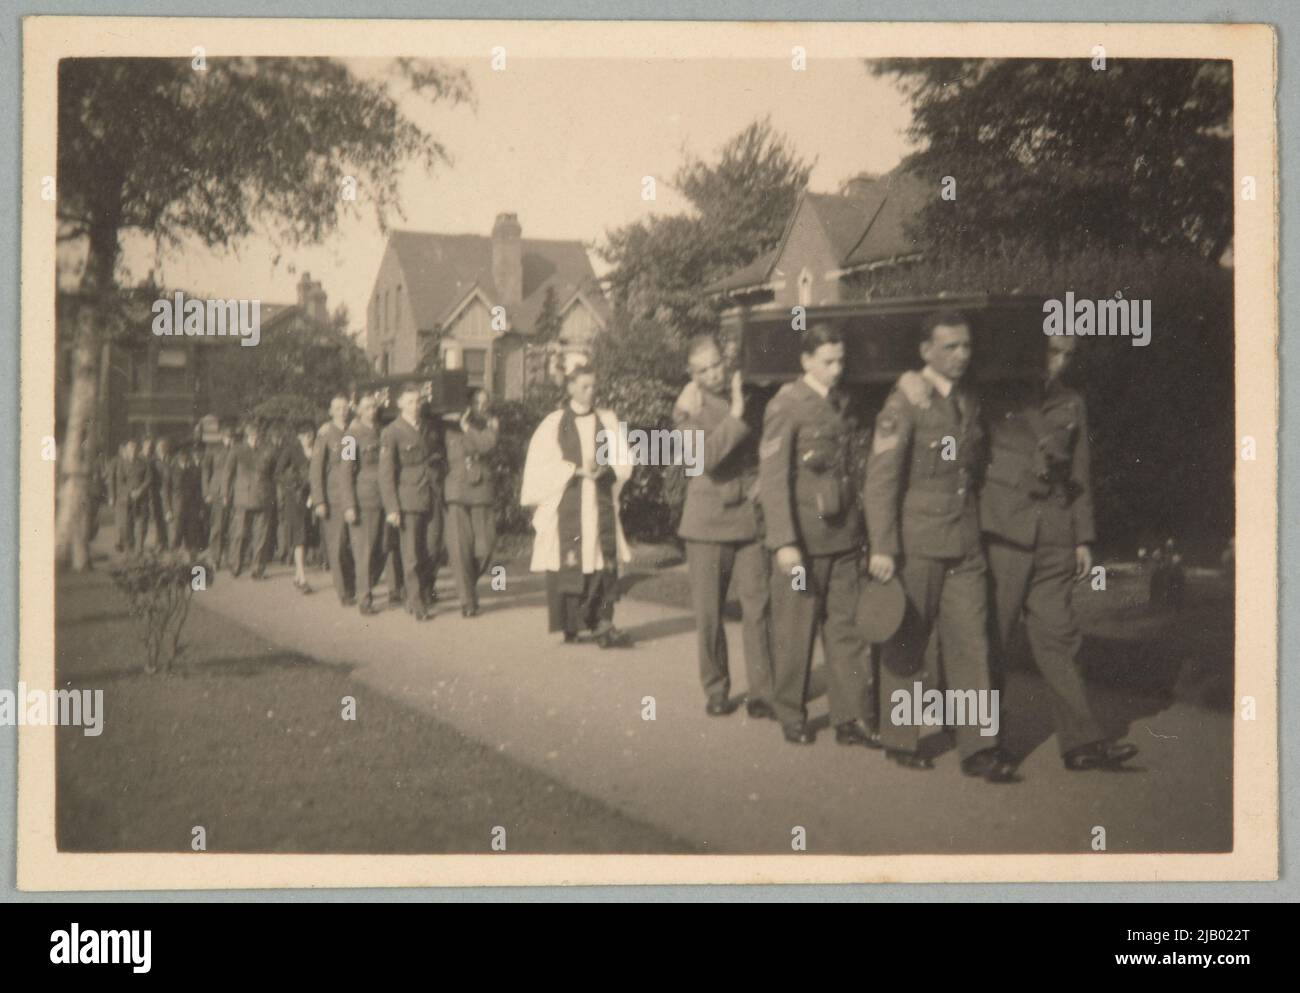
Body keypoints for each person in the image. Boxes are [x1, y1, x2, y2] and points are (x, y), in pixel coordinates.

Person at [863, 310, 1015, 782]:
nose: (961, 355)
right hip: (917, 542)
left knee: (972, 642)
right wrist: (883, 547)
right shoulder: (903, 403)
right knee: (908, 638)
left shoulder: (968, 399)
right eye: (950, 347)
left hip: (963, 540)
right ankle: (901, 739)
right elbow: (881, 478)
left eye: (966, 346)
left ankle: (979, 747)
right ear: (926, 351)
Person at [981, 335, 1138, 771]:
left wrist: (1083, 537)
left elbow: (1080, 472)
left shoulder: (1072, 403)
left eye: (1069, 354)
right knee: (992, 637)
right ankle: (985, 743)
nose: (1061, 362)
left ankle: (1082, 743)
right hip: (1004, 532)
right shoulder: (996, 393)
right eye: (1052, 350)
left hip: (1053, 533)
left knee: (1059, 637)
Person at [758, 323, 876, 747]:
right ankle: (790, 711)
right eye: (828, 361)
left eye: (841, 361)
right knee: (795, 628)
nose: (837, 369)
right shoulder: (786, 405)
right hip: (803, 543)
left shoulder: (843, 404)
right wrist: (784, 542)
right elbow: (772, 479)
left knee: (847, 630)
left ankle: (850, 718)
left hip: (843, 540)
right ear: (806, 361)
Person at [674, 336, 775, 718]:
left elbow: (768, 441)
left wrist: (763, 481)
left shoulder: (744, 393)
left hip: (746, 518)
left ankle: (763, 692)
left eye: (717, 364)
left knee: (758, 605)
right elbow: (706, 458)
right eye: (704, 370)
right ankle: (716, 688)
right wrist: (735, 413)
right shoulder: (686, 410)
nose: (714, 373)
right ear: (692, 375)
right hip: (706, 523)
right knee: (710, 613)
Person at [520, 364, 633, 648]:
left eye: (594, 386)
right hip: (569, 501)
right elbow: (541, 465)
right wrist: (575, 470)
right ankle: (572, 624)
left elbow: (624, 459)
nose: (590, 391)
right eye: (584, 386)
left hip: (598, 501)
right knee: (570, 557)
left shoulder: (607, 420)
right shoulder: (554, 422)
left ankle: (602, 622)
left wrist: (604, 468)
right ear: (570, 387)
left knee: (598, 557)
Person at [379, 383, 441, 621]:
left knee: (432, 548)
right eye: (410, 402)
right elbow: (386, 474)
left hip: (431, 495)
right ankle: (416, 602)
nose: (416, 406)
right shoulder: (392, 432)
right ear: (400, 405)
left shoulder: (427, 427)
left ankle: (417, 593)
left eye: (418, 402)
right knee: (412, 553)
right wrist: (392, 508)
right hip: (408, 498)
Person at [443, 388, 499, 618]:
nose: (481, 406)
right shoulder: (449, 424)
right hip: (456, 490)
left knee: (485, 548)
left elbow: (486, 445)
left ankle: (467, 583)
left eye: (485, 402)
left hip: (482, 490)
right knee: (459, 548)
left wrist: (467, 427)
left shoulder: (491, 424)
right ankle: (467, 600)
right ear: (469, 403)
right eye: (476, 401)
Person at [311, 395, 357, 606]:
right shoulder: (325, 434)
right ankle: (343, 591)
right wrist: (319, 500)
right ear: (330, 411)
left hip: (353, 495)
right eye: (337, 408)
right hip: (334, 498)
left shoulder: (352, 431)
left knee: (351, 545)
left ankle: (352, 585)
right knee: (337, 546)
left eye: (345, 407)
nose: (342, 411)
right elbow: (316, 469)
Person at [345, 395, 387, 616]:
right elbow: (345, 472)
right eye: (367, 407)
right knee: (365, 551)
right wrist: (349, 505)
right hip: (364, 499)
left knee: (381, 549)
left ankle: (366, 587)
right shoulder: (351, 436)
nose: (372, 410)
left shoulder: (381, 431)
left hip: (384, 498)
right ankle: (364, 598)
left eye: (374, 407)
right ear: (359, 411)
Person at [222, 418, 278, 579]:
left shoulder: (269, 450)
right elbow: (227, 473)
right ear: (247, 435)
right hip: (242, 498)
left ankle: (257, 569)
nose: (256, 438)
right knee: (239, 533)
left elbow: (273, 474)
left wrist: (272, 494)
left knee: (261, 535)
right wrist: (226, 494)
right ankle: (235, 564)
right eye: (253, 435)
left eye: (258, 435)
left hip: (263, 497)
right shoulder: (237, 450)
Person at [276, 421, 317, 594]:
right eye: (305, 435)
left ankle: (297, 575)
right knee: (299, 536)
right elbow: (278, 473)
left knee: (306, 535)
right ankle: (302, 577)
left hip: (313, 497)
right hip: (296, 498)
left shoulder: (317, 449)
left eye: (310, 434)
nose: (308, 438)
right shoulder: (291, 450)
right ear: (299, 436)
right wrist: (293, 484)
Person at [202, 422, 236, 567]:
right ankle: (215, 558)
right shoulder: (213, 449)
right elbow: (205, 472)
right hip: (217, 492)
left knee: (233, 526)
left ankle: (230, 557)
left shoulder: (237, 449)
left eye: (232, 436)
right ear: (222, 436)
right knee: (218, 526)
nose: (230, 439)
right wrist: (206, 492)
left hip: (235, 492)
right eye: (227, 436)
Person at [109, 437, 150, 555]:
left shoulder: (143, 462)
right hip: (126, 499)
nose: (133, 450)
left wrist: (140, 490)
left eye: (135, 448)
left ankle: (139, 550)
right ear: (126, 450)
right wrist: (130, 492)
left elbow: (148, 478)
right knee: (126, 525)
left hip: (141, 498)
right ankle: (128, 550)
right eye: (130, 448)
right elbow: (120, 481)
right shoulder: (121, 463)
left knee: (141, 524)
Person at [165, 443, 205, 554]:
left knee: (192, 537)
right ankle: (173, 560)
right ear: (177, 456)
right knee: (176, 536)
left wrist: (200, 508)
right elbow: (166, 491)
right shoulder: (171, 470)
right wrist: (168, 510)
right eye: (181, 454)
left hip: (192, 508)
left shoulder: (195, 470)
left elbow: (198, 490)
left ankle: (191, 562)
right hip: (177, 508)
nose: (184, 457)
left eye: (186, 454)